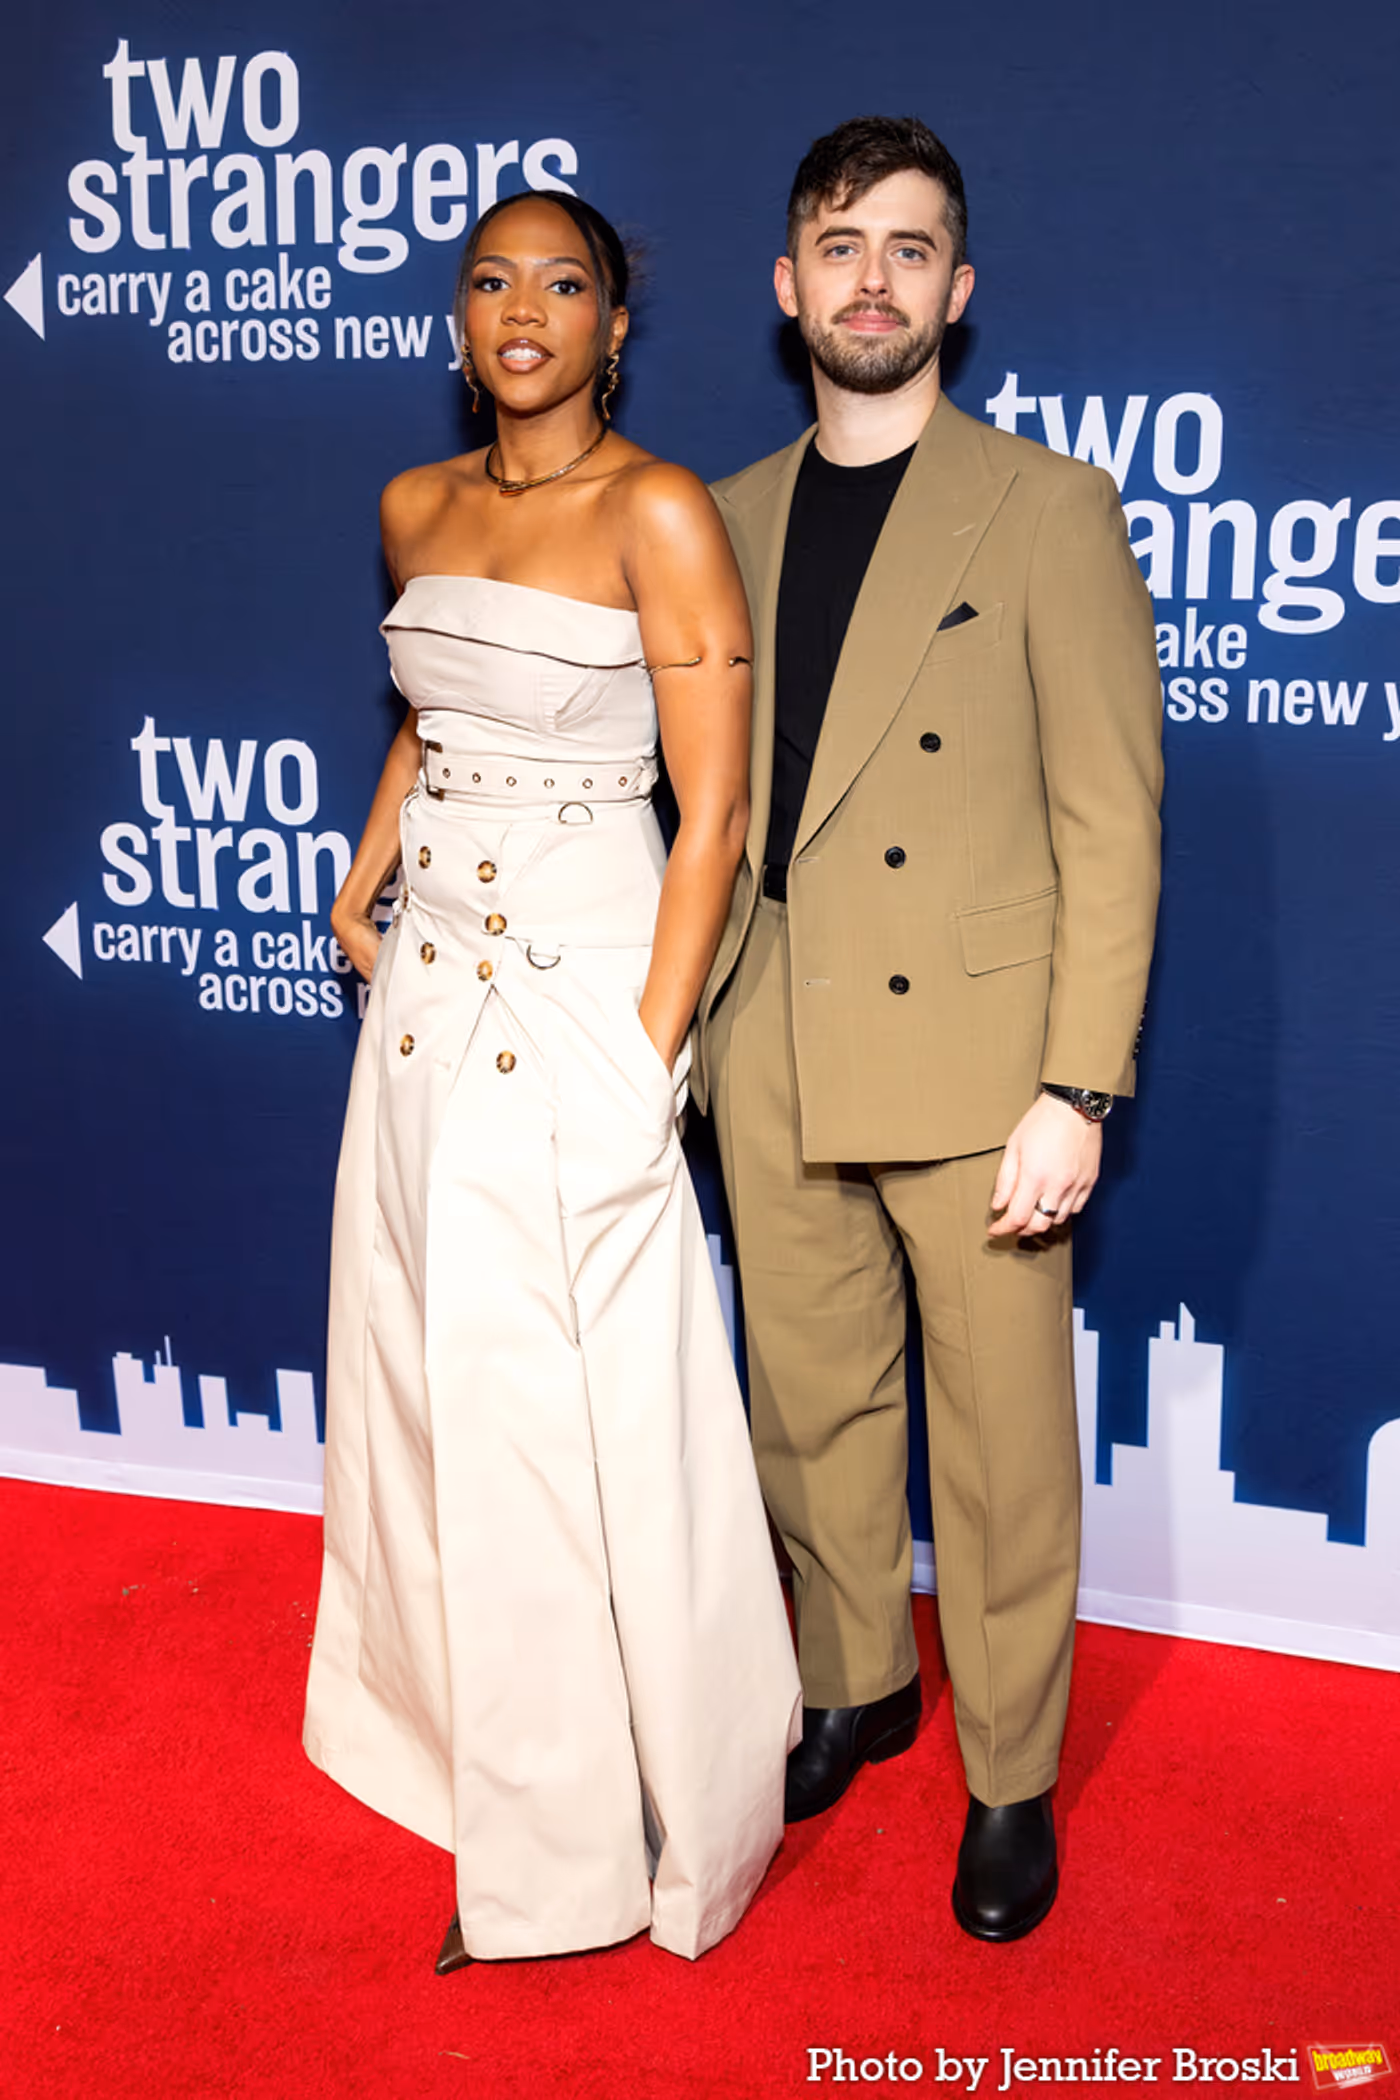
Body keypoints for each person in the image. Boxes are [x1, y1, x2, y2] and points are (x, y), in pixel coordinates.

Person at [302, 189, 801, 1973]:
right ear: (457, 321)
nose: (525, 310)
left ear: (615, 322)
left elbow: (713, 815)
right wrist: (368, 870)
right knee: (442, 1397)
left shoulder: (661, 512)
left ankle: (602, 1842)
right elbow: (431, 717)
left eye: (563, 283)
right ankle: (485, 1772)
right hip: (427, 1004)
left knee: (581, 1429)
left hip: (581, 1006)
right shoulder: (413, 507)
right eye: (491, 281)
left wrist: (644, 1062)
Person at [694, 116, 1163, 1942]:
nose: (869, 275)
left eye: (907, 245)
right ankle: (857, 1684)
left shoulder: (1047, 507)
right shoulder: (716, 517)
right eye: (837, 243)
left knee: (997, 1449)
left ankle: (1013, 1778)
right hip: (776, 1027)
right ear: (788, 285)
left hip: (982, 1063)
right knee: (808, 1413)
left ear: (956, 292)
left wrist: (1078, 1083)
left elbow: (1110, 818)